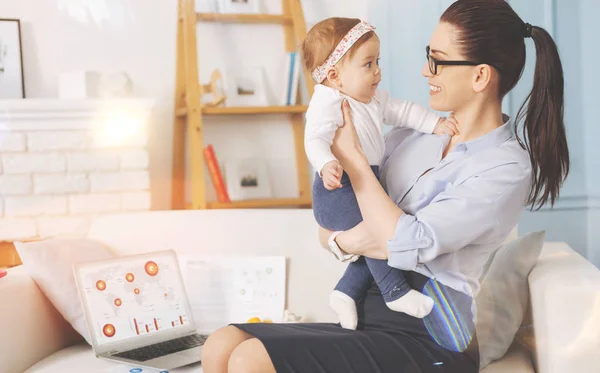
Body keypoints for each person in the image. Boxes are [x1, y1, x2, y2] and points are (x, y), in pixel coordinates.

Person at [201, 1, 570, 372]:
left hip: (430, 332)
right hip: (368, 309)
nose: (425, 70)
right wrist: (347, 240)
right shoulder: (410, 136)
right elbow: (336, 227)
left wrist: (356, 164)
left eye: (438, 59)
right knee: (222, 343)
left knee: (251, 360)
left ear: (480, 77)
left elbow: (410, 240)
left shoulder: (505, 166)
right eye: (429, 56)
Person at [303, 17, 460, 327]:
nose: (377, 71)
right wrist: (326, 164)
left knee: (372, 237)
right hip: (339, 186)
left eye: (378, 62)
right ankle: (394, 290)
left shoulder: (372, 99)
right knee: (378, 231)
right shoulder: (328, 100)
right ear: (335, 75)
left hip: (365, 178)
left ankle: (346, 291)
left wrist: (435, 124)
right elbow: (314, 138)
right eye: (367, 64)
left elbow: (403, 111)